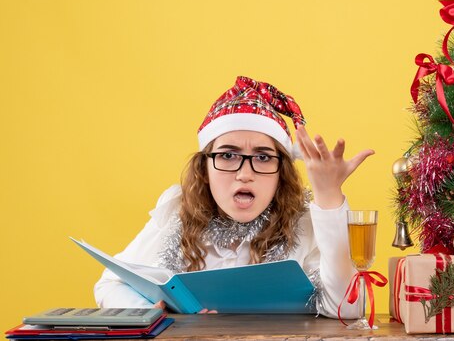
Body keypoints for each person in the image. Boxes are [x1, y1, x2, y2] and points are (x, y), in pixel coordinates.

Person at [94, 76, 374, 318]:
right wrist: (149, 311)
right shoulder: (176, 215)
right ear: (204, 169)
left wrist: (328, 197)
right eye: (228, 155)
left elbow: (347, 308)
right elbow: (109, 285)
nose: (244, 174)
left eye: (263, 157)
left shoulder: (306, 225)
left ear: (281, 173)